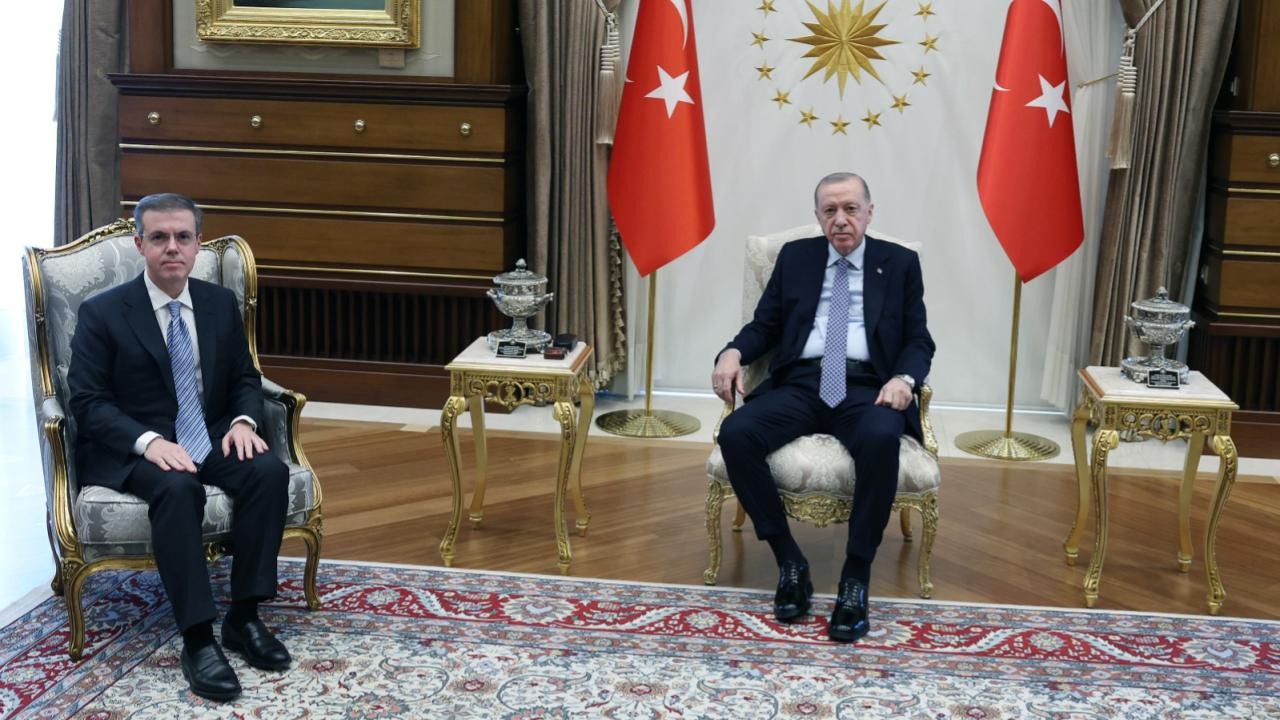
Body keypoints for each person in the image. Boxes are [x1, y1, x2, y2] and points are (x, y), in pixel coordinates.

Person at [68, 193, 292, 701]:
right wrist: (148, 443)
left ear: (197, 245)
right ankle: (198, 639)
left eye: (183, 237)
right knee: (177, 487)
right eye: (159, 237)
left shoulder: (218, 304)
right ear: (139, 244)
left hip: (208, 433)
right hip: (136, 447)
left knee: (267, 472)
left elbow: (244, 376)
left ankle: (244, 617)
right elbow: (87, 401)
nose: (172, 247)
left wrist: (243, 421)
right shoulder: (103, 312)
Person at [712, 172, 935, 642]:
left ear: (869, 212)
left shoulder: (899, 263)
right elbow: (764, 325)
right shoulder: (797, 258)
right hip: (802, 382)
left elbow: (918, 340)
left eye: (850, 209)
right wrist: (731, 352)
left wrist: (904, 379)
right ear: (817, 216)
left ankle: (856, 576)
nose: (840, 220)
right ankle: (790, 561)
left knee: (881, 437)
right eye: (829, 210)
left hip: (867, 385)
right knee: (736, 434)